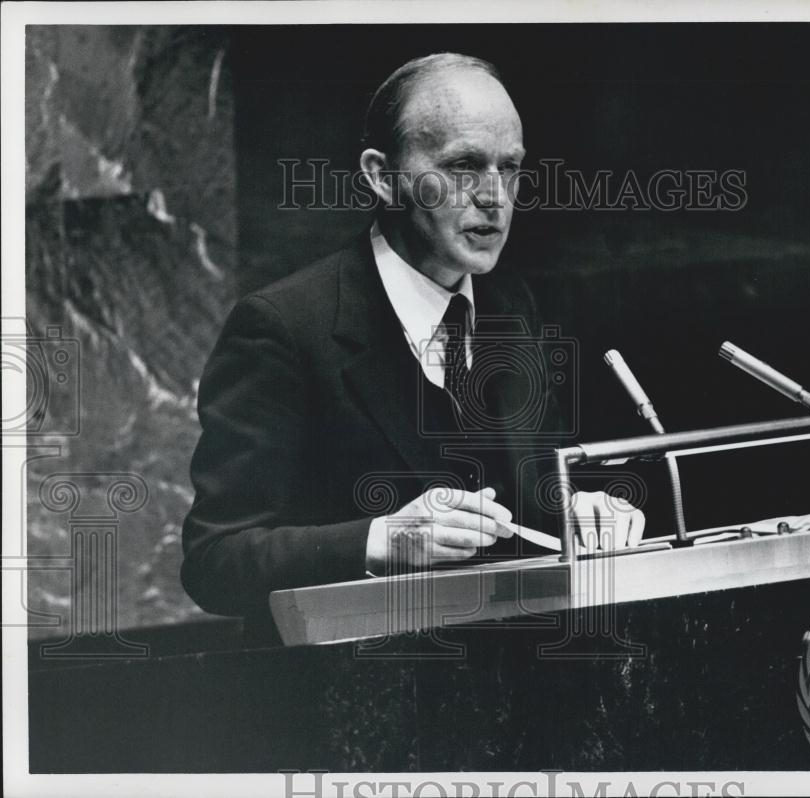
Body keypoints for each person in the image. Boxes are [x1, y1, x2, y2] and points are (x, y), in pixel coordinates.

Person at [181, 53, 644, 643]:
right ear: (381, 174)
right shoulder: (281, 328)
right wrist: (384, 539)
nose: (495, 197)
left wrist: (580, 512)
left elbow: (530, 498)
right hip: (354, 704)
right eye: (464, 166)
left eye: (511, 169)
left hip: (515, 688)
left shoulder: (512, 308)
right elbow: (215, 560)